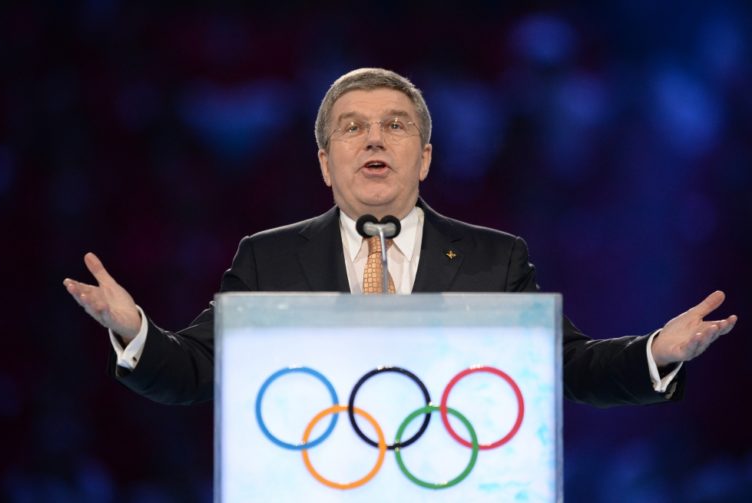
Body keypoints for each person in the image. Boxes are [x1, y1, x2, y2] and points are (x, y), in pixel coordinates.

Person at [63, 68, 737, 407]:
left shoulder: (495, 258)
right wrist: (136, 331)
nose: (375, 140)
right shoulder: (268, 257)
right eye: (352, 128)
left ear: (425, 157)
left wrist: (655, 352)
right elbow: (197, 373)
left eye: (395, 125)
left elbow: (566, 367)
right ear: (324, 163)